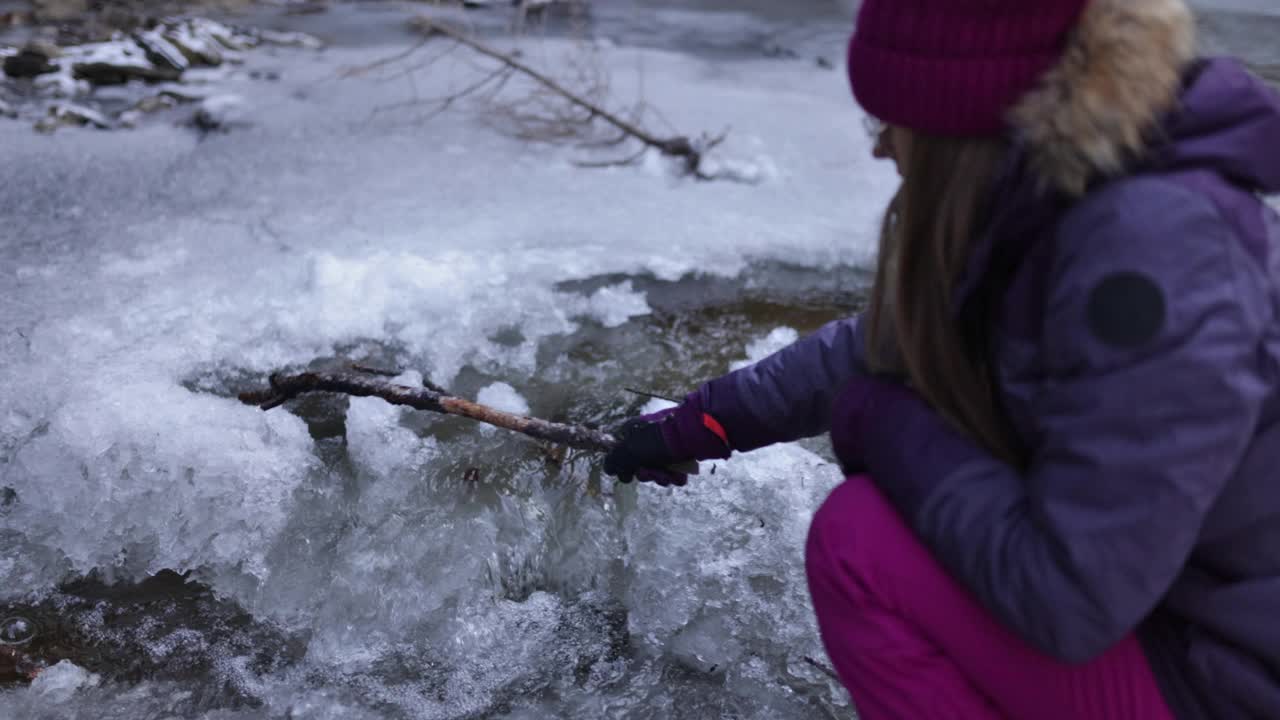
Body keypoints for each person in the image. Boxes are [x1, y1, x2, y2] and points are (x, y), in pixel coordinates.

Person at [602, 0, 1280, 717]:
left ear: (961, 123)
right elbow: (878, 349)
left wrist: (886, 428)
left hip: (1231, 679)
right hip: (1179, 624)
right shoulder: (1062, 204)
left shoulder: (1153, 254)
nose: (880, 147)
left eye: (889, 121)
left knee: (857, 541)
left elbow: (1071, 601)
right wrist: (698, 426)